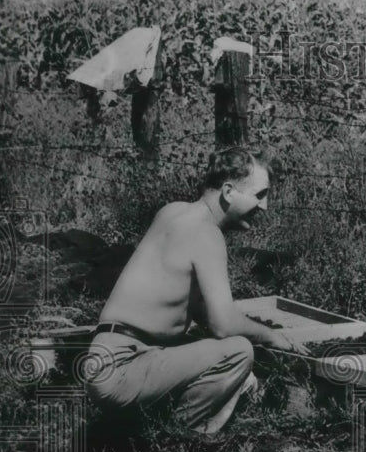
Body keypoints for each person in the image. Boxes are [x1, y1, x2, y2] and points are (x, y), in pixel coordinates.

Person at [83, 147, 305, 435]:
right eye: (259, 195)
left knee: (221, 352)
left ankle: (140, 428)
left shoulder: (172, 212)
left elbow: (197, 308)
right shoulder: (207, 233)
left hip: (104, 357)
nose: (264, 206)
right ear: (228, 192)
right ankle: (178, 438)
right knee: (239, 351)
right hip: (124, 367)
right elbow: (224, 325)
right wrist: (272, 336)